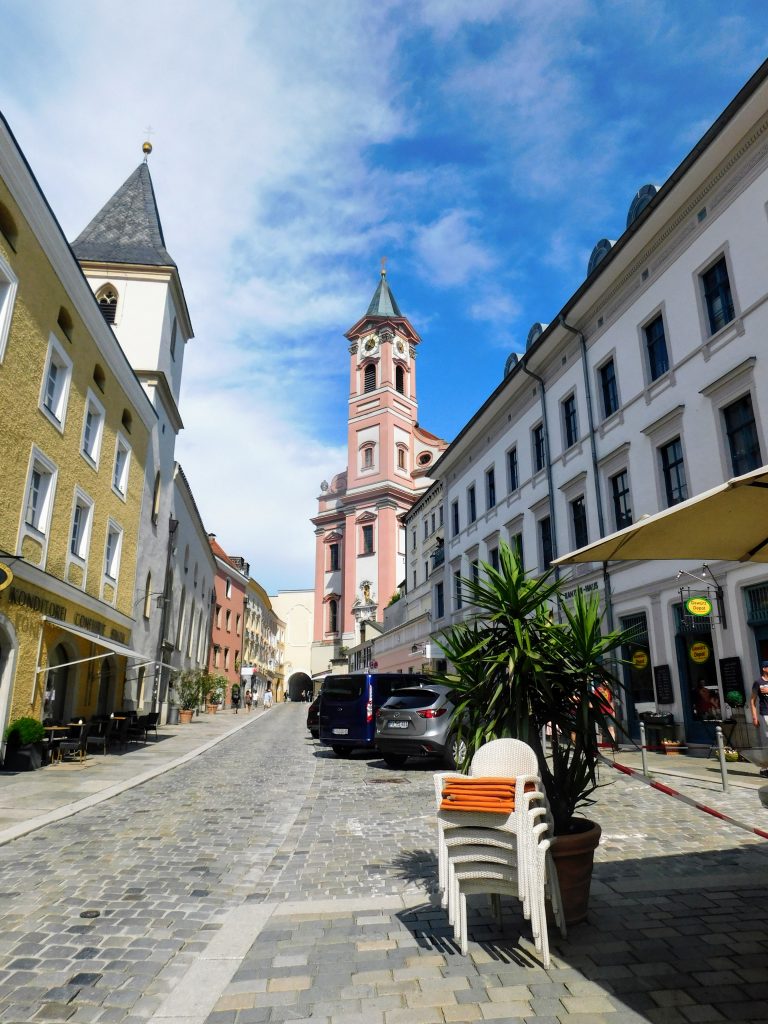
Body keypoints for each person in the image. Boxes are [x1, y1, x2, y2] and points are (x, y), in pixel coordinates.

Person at [750, 660, 768, 777]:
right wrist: (754, 717)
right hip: (766, 713)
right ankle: (765, 768)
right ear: (764, 669)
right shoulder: (758, 682)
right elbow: (752, 700)